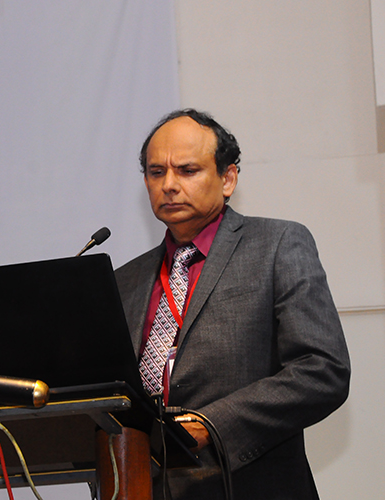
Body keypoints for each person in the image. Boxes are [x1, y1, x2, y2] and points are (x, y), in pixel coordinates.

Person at [115, 109, 351, 499]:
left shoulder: (277, 245)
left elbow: (322, 370)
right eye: (156, 172)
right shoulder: (125, 279)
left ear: (228, 179)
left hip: (250, 485)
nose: (169, 185)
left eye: (187, 170)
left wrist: (211, 424)